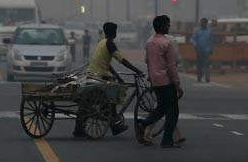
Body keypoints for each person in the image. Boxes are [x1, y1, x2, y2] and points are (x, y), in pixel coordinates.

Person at [73, 21, 144, 137]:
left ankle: (80, 130)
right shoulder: (110, 44)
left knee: (103, 95)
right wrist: (137, 70)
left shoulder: (102, 42)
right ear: (114, 33)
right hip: (98, 76)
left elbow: (107, 63)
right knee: (113, 96)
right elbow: (122, 60)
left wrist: (117, 76)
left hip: (92, 73)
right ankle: (114, 125)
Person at [135, 15, 183, 148]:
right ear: (162, 26)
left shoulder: (149, 43)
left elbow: (149, 63)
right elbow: (171, 66)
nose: (169, 26)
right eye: (167, 24)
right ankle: (167, 141)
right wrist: (178, 85)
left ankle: (143, 124)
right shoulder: (166, 43)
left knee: (161, 108)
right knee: (172, 111)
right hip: (166, 81)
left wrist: (151, 79)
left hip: (155, 81)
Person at [191, 17, 213, 83]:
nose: (202, 23)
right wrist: (195, 45)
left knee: (206, 64)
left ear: (206, 23)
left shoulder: (209, 31)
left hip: (207, 50)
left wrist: (211, 48)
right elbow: (192, 39)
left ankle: (207, 78)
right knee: (199, 64)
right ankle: (199, 77)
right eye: (201, 22)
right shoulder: (197, 30)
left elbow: (211, 40)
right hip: (199, 49)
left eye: (203, 22)